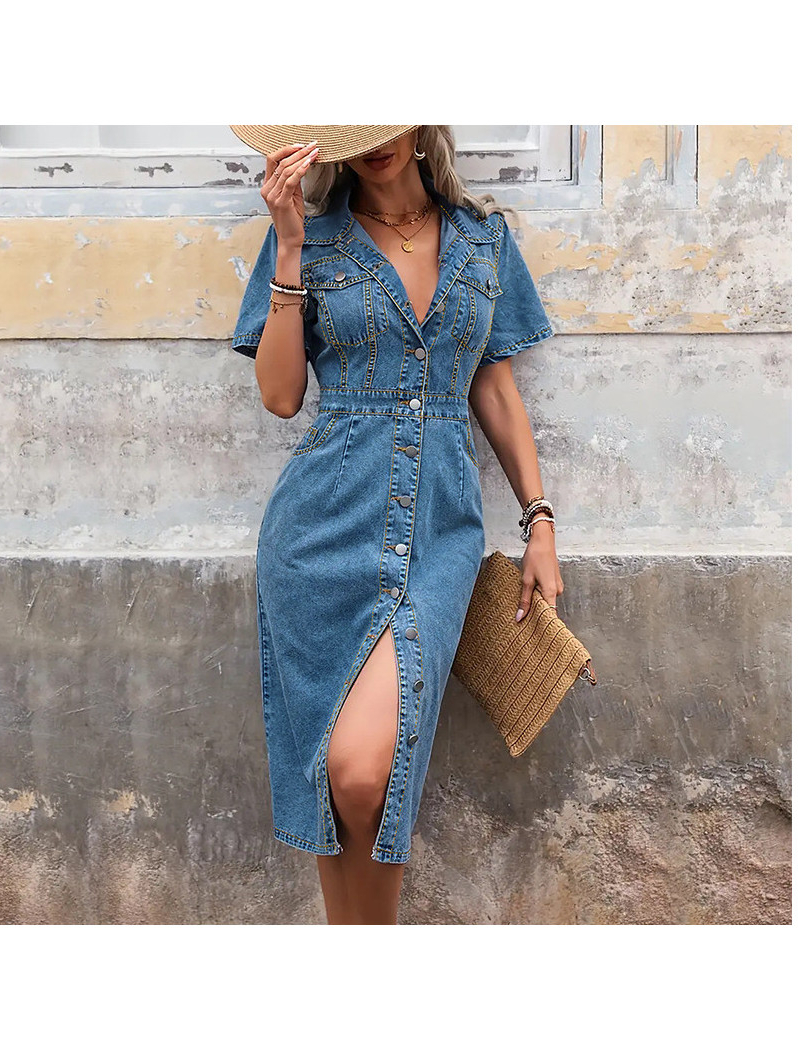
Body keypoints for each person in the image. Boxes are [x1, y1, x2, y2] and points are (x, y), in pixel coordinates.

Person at [230, 124, 563, 925]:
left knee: (362, 772)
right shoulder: (312, 239)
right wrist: (285, 250)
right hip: (320, 532)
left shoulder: (484, 240)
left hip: (437, 536)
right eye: (355, 125)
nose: (374, 141)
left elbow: (496, 391)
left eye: (388, 118)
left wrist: (539, 521)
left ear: (422, 126)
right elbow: (279, 396)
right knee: (343, 785)